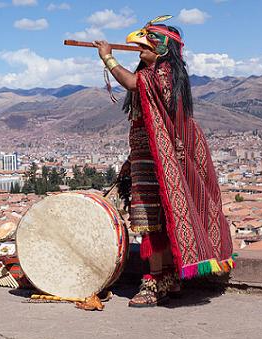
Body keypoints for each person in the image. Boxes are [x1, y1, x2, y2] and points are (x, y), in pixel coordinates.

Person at [94, 15, 234, 307]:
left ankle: (155, 280)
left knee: (153, 218)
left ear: (163, 48)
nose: (141, 49)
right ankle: (169, 277)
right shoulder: (160, 72)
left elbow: (133, 83)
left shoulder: (162, 73)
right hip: (151, 154)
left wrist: (108, 58)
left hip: (166, 155)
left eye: (147, 44)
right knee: (159, 214)